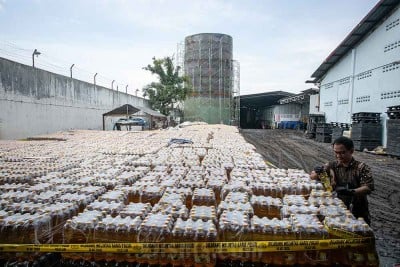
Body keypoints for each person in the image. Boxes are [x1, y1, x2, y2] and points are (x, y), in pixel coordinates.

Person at [310, 136, 374, 225]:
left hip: (357, 209)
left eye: (342, 153)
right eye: (336, 153)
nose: (338, 156)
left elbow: (368, 187)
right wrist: (318, 171)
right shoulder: (332, 165)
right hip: (336, 209)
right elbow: (313, 177)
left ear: (351, 151)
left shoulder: (361, 168)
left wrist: (350, 191)